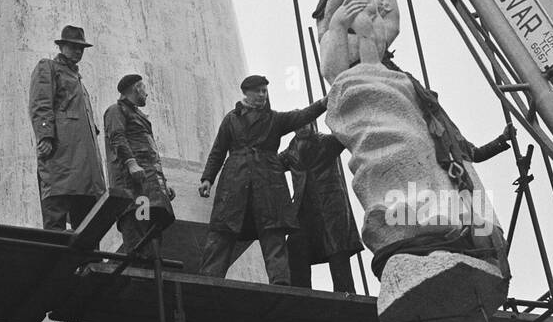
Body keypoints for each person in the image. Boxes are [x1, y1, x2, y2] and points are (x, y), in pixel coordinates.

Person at [198, 75, 327, 286]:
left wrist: (322, 104)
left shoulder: (274, 119)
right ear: (246, 93)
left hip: (268, 182)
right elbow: (218, 150)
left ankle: (280, 283)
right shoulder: (231, 119)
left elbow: (301, 116)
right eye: (257, 91)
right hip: (235, 181)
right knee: (223, 231)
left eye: (264, 91)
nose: (262, 95)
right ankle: (209, 280)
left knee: (273, 232)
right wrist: (207, 178)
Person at [28, 25, 105, 231]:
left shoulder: (78, 80)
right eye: (73, 46)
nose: (78, 51)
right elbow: (40, 102)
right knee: (56, 211)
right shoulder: (48, 67)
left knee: (87, 223)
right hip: (62, 154)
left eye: (81, 48)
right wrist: (45, 135)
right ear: (62, 47)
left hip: (83, 164)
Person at [278, 121, 362, 291]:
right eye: (298, 125)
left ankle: (345, 295)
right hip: (303, 210)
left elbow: (350, 132)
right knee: (295, 248)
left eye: (305, 124)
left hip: (331, 207)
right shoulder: (290, 152)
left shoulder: (327, 142)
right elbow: (270, 163)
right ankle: (300, 296)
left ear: (312, 125)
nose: (301, 127)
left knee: (337, 252)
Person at [103, 74, 176, 261]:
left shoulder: (137, 115)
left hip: (148, 186)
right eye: (144, 88)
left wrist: (162, 183)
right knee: (138, 230)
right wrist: (131, 163)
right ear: (136, 88)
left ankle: (150, 266)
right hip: (135, 188)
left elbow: (150, 152)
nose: (147, 93)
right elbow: (117, 137)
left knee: (151, 233)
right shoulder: (116, 110)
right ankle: (142, 269)